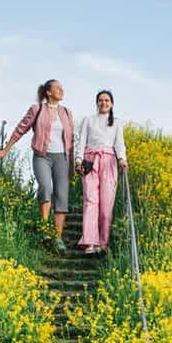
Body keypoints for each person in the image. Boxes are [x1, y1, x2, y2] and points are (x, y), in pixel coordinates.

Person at [0, 79, 75, 252]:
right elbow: (20, 129)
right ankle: (45, 230)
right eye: (57, 88)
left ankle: (58, 237)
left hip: (62, 158)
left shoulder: (66, 112)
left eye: (62, 88)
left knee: (62, 195)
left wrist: (76, 162)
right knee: (46, 187)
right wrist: (5, 150)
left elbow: (71, 139)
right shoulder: (37, 109)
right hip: (42, 156)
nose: (61, 90)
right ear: (48, 92)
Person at [74, 90, 127, 254]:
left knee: (106, 203)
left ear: (111, 103)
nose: (103, 103)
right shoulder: (88, 120)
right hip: (90, 160)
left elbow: (119, 143)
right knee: (91, 200)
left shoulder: (116, 122)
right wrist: (78, 159)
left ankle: (103, 243)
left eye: (107, 100)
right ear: (97, 103)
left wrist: (122, 159)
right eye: (100, 100)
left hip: (109, 161)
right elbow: (81, 141)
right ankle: (89, 241)